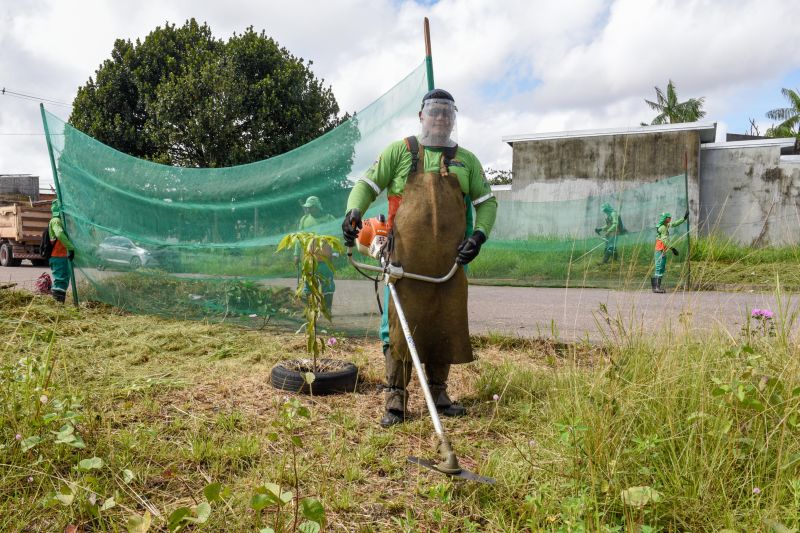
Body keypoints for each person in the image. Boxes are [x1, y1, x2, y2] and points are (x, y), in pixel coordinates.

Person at [341, 88, 498, 428]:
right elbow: (367, 184)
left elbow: (487, 203)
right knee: (397, 330)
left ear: (453, 119)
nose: (441, 117)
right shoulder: (401, 152)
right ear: (421, 116)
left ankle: (439, 396)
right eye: (434, 111)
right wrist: (355, 211)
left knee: (445, 324)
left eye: (447, 112)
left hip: (449, 264)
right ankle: (395, 401)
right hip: (404, 264)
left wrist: (479, 236)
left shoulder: (466, 160)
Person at [294, 196, 337, 313]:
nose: (309, 210)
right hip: (309, 259)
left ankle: (327, 310)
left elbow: (335, 237)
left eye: (311, 207)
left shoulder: (329, 219)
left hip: (325, 260)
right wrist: (296, 254)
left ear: (318, 207)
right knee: (308, 286)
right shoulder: (304, 220)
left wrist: (336, 253)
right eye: (307, 208)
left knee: (327, 285)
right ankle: (310, 309)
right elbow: (299, 238)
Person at [652, 210, 688, 293]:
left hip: (663, 249)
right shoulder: (663, 228)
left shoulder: (666, 225)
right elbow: (664, 240)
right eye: (669, 218)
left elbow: (674, 224)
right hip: (660, 249)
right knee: (659, 267)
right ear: (665, 219)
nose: (670, 219)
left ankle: (656, 287)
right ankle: (656, 288)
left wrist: (684, 218)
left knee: (662, 267)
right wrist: (672, 248)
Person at [48, 200, 75, 303]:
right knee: (60, 280)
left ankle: (59, 304)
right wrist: (70, 247)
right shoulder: (55, 220)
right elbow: (59, 234)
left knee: (63, 280)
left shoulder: (63, 221)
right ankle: (57, 305)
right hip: (57, 255)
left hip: (62, 255)